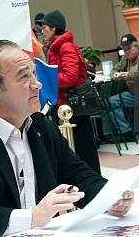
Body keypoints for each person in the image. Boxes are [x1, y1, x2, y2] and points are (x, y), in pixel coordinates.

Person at [0, 40, 134, 237]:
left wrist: (109, 196)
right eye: (24, 77)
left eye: (34, 74)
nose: (37, 84)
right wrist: (32, 217)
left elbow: (77, 173)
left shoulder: (41, 127)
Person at [38, 10, 101, 174]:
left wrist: (48, 79)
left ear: (53, 28)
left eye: (44, 27)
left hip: (74, 106)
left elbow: (70, 77)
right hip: (66, 105)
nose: (42, 31)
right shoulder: (57, 47)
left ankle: (94, 184)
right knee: (77, 148)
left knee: (84, 148)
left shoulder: (65, 47)